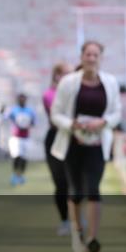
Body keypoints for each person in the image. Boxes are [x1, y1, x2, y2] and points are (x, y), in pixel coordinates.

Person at [49, 41, 122, 252]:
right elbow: (56, 113)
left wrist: (104, 122)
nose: (91, 58)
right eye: (88, 54)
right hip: (73, 144)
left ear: (101, 57)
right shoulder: (68, 83)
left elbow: (117, 112)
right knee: (76, 191)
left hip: (98, 145)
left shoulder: (110, 82)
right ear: (82, 57)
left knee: (93, 188)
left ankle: (92, 238)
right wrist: (72, 124)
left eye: (95, 54)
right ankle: (77, 233)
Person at [44, 63, 72, 235]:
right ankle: (65, 219)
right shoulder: (49, 95)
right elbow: (58, 115)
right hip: (56, 139)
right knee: (61, 183)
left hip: (75, 140)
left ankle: (76, 216)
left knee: (76, 182)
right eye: (62, 74)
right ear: (56, 76)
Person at [4, 93, 36, 186]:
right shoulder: (13, 110)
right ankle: (15, 175)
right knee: (16, 157)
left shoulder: (30, 111)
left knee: (24, 158)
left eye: (24, 99)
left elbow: (33, 122)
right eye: (20, 99)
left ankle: (21, 175)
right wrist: (2, 111)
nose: (22, 100)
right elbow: (5, 117)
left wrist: (27, 125)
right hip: (16, 137)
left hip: (26, 137)